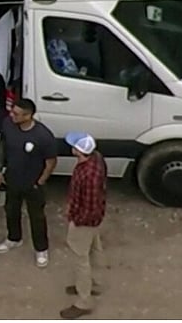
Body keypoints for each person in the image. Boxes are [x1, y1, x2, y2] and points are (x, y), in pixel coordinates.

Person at [0, 98, 57, 268]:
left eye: (16, 114)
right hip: (13, 179)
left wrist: (40, 181)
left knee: (36, 217)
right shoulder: (8, 125)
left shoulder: (43, 136)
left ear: (28, 116)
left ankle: (41, 249)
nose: (11, 115)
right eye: (12, 112)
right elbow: (2, 146)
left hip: (33, 184)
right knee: (11, 211)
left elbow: (50, 162)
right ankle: (14, 238)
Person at [60, 132, 108, 320]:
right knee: (94, 249)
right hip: (94, 220)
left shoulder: (87, 174)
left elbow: (89, 205)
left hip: (85, 221)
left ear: (78, 150)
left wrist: (75, 219)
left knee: (80, 257)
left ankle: (84, 300)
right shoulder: (96, 160)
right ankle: (93, 284)